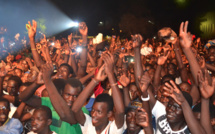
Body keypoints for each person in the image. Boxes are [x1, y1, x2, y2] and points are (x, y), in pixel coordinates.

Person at [72, 52, 125, 134]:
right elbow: (75, 109)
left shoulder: (114, 129)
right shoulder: (88, 124)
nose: (93, 114)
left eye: (99, 112)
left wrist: (110, 74)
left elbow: (120, 112)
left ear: (109, 114)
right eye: (93, 110)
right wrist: (95, 80)